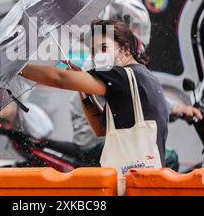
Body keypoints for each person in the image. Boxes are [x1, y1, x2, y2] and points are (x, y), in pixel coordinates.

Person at [20, 19, 170, 166]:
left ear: (125, 48)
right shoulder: (142, 75)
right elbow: (101, 128)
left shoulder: (121, 76)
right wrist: (82, 89)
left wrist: (19, 69)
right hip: (148, 176)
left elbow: (60, 78)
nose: (97, 56)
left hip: (135, 180)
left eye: (104, 47)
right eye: (93, 51)